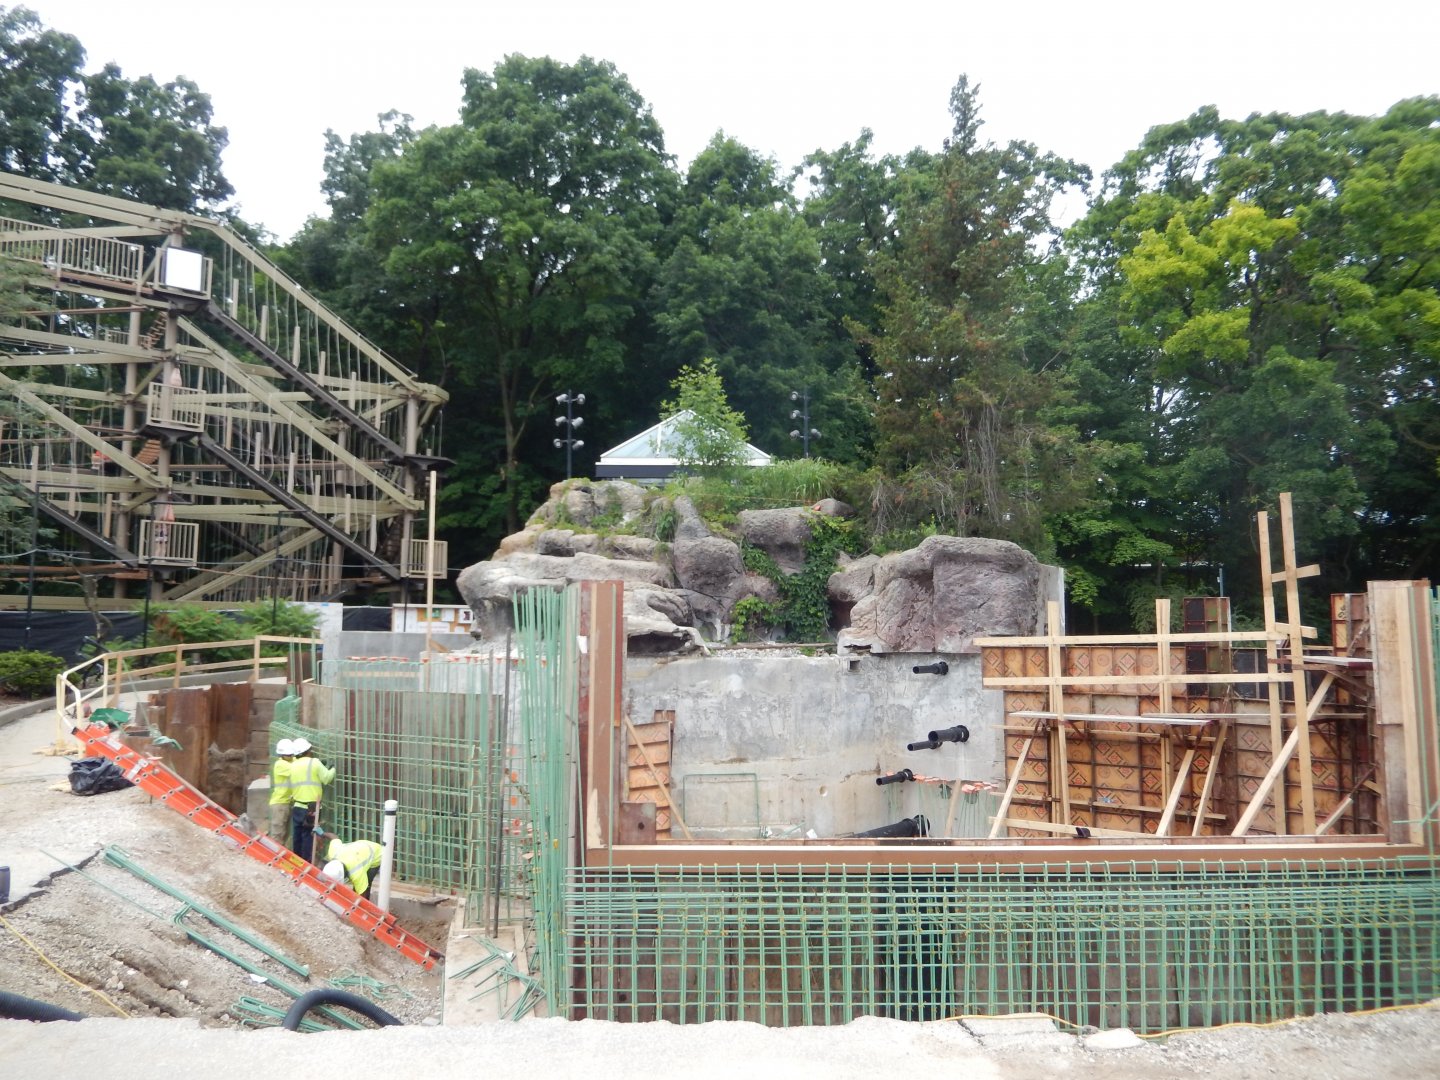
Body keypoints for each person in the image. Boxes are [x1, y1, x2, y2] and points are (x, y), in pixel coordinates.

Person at [287, 737, 335, 862]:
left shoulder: (292, 765)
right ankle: (307, 865)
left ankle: (296, 862)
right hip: (312, 808)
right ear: (308, 750)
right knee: (308, 837)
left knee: (297, 836)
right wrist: (333, 767)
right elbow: (326, 778)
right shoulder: (314, 762)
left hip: (297, 806)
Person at [318, 833, 384, 897]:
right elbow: (334, 837)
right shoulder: (334, 853)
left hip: (376, 853)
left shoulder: (356, 873)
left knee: (364, 886)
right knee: (358, 885)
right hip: (361, 847)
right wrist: (322, 834)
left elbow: (362, 895)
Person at [267, 738, 296, 844]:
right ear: (281, 755)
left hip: (286, 802)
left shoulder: (291, 761)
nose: (291, 756)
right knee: (278, 834)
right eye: (288, 755)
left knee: (284, 834)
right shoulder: (280, 765)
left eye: (292, 754)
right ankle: (273, 856)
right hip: (280, 803)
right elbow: (297, 769)